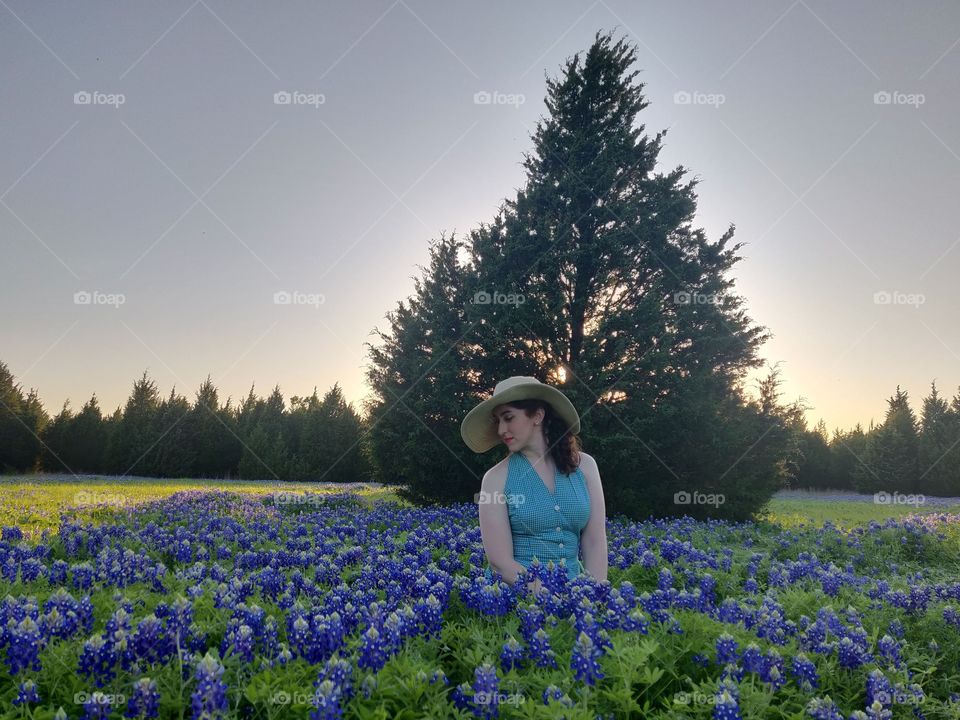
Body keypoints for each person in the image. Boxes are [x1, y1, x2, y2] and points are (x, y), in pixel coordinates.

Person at [461, 375, 608, 594]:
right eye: (498, 421)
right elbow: (500, 563)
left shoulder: (585, 466)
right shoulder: (495, 479)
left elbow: (595, 540)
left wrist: (593, 594)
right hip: (518, 597)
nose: (501, 429)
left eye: (508, 417)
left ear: (538, 415)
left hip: (576, 595)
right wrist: (549, 596)